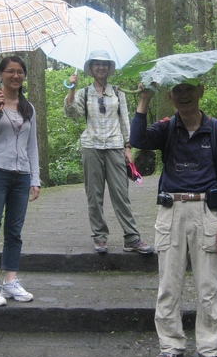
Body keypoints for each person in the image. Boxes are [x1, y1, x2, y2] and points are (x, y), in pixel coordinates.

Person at [129, 82, 217, 357]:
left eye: (189, 89)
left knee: (209, 285)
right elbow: (137, 139)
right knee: (169, 284)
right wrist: (143, 101)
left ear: (200, 91)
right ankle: (170, 346)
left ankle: (210, 349)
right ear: (170, 96)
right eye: (178, 90)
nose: (184, 95)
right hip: (171, 210)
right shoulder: (166, 128)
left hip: (207, 212)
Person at [64, 49, 154, 255]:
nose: (101, 67)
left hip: (114, 146)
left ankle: (131, 238)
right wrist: (71, 88)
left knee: (121, 194)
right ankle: (100, 238)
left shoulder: (118, 92)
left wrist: (128, 147)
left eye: (105, 64)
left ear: (109, 68)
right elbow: (71, 113)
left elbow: (124, 120)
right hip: (91, 146)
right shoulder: (83, 93)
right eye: (97, 64)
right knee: (94, 195)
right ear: (91, 68)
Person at [0, 56, 40, 307]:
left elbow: (32, 145)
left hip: (21, 175)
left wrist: (35, 178)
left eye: (20, 72)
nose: (16, 76)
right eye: (11, 71)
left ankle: (11, 280)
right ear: (1, 74)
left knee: (14, 230)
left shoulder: (29, 108)